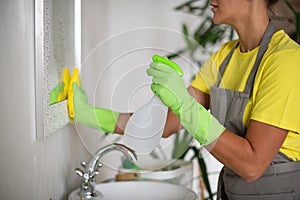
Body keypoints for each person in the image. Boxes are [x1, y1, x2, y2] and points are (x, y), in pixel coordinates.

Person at [70, 0, 300, 198]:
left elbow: (252, 165)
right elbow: (167, 124)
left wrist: (184, 104)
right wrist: (88, 114)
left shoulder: (285, 61)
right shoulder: (225, 57)